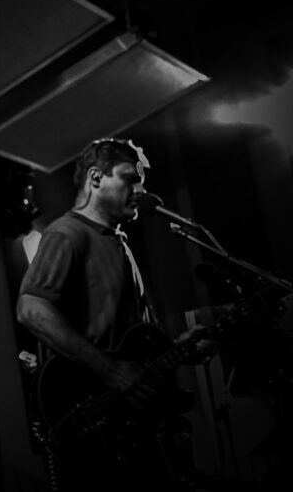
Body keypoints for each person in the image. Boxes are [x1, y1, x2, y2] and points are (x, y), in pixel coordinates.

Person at [16, 137, 210, 490]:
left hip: (133, 425)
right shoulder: (68, 233)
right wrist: (111, 371)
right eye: (130, 179)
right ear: (95, 178)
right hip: (96, 421)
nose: (140, 191)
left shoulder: (116, 242)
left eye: (142, 183)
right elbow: (31, 309)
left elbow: (129, 344)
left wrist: (179, 348)